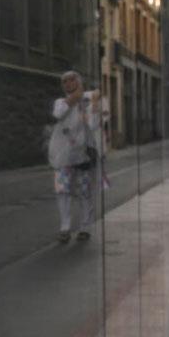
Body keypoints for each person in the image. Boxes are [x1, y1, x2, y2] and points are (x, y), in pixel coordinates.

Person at [48, 71, 102, 243]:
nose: (68, 84)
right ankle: (65, 228)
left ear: (79, 82)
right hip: (62, 156)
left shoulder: (87, 101)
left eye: (72, 80)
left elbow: (93, 125)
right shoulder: (60, 102)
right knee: (62, 191)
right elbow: (58, 114)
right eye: (64, 81)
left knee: (85, 191)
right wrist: (79, 95)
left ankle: (85, 227)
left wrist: (93, 103)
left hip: (83, 155)